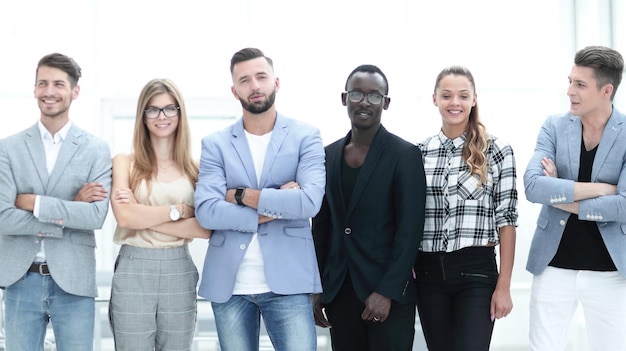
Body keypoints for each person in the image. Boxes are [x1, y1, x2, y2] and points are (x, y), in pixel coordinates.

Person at [194, 47, 325, 351]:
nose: (254, 86)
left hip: (289, 282)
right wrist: (278, 204)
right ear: (234, 90)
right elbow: (207, 212)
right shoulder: (215, 144)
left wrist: (239, 196)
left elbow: (309, 203)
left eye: (261, 77)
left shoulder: (305, 136)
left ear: (275, 82)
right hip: (230, 287)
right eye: (245, 80)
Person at [0, 52, 112, 351]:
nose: (49, 92)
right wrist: (72, 206)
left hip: (74, 282)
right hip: (21, 279)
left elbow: (95, 217)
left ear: (75, 91)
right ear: (35, 89)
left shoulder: (96, 150)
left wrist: (35, 203)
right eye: (43, 83)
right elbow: (4, 218)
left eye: (58, 84)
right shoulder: (8, 148)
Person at [311, 64, 427, 350]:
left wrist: (386, 291)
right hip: (340, 292)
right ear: (344, 98)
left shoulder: (405, 155)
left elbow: (409, 232)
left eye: (374, 96)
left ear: (386, 103)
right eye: (357, 94)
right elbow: (321, 230)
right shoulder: (327, 155)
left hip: (387, 294)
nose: (364, 102)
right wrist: (318, 290)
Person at [524, 45, 626, 351]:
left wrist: (559, 192)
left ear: (606, 90)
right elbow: (532, 186)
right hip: (554, 264)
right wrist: (599, 189)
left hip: (610, 270)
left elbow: (623, 206)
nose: (570, 91)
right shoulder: (554, 126)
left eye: (580, 84)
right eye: (570, 81)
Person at [415, 65, 518, 351]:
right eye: (446, 95)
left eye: (463, 95)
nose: (455, 103)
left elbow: (507, 219)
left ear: (474, 99)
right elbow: (409, 216)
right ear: (435, 99)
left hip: (476, 272)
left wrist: (504, 285)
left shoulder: (497, 150)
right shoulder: (418, 153)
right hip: (428, 273)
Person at [108, 78, 211, 350]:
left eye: (169, 109)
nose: (161, 116)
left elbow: (205, 229)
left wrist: (145, 215)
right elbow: (126, 219)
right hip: (134, 267)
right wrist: (179, 212)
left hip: (179, 267)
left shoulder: (196, 168)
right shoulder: (124, 162)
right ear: (143, 116)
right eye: (152, 109)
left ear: (180, 113)